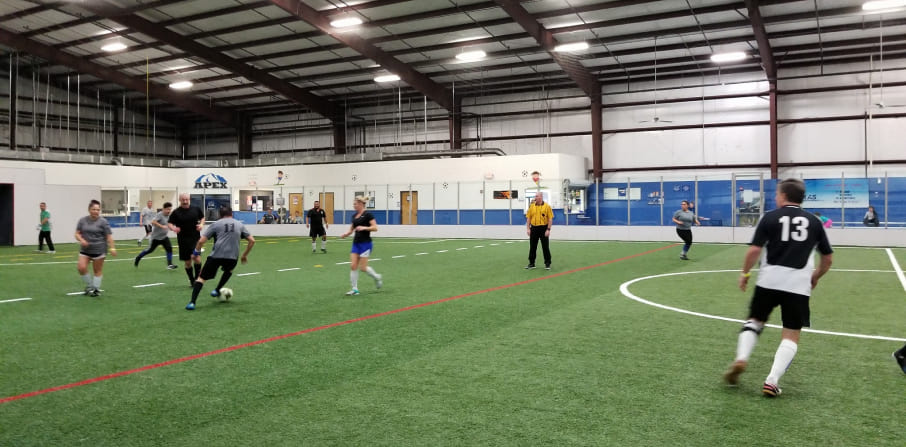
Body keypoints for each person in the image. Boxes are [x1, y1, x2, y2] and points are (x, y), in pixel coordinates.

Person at [723, 178, 833, 398]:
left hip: (769, 280)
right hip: (799, 284)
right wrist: (816, 276)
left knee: (754, 321)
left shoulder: (770, 218)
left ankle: (741, 358)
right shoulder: (814, 222)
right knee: (791, 333)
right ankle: (772, 380)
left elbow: (754, 250)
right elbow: (828, 259)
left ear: (783, 196)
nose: (775, 197)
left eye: (777, 194)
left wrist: (745, 273)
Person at [185, 207, 255, 310]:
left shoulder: (216, 224)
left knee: (201, 279)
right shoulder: (239, 224)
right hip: (232, 257)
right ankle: (217, 290)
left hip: (216, 256)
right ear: (232, 214)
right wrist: (244, 255)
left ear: (220, 215)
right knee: (229, 270)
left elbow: (201, 241)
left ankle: (192, 303)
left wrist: (196, 253)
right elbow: (252, 241)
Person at [339, 196, 382, 295]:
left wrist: (364, 228)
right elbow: (351, 229)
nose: (354, 206)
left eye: (355, 204)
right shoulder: (354, 216)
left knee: (363, 268)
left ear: (361, 204)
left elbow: (375, 228)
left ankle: (377, 277)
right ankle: (354, 289)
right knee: (353, 266)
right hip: (356, 243)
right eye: (353, 204)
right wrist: (346, 234)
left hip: (366, 244)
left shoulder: (368, 215)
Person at [74, 199, 117, 296]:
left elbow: (109, 237)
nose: (96, 211)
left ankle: (96, 290)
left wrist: (112, 248)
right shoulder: (82, 220)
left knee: (97, 270)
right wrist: (82, 240)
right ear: (89, 209)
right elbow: (76, 234)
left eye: (98, 210)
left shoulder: (103, 222)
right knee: (81, 267)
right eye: (94, 209)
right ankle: (90, 286)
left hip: (99, 250)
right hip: (85, 250)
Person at [167, 193, 205, 286]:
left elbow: (202, 218)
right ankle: (192, 280)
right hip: (183, 240)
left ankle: (197, 279)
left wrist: (201, 225)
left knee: (197, 259)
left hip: (195, 239)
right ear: (180, 200)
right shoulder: (176, 212)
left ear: (189, 199)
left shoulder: (196, 209)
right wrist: (173, 229)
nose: (185, 201)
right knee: (188, 262)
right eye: (183, 200)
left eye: (186, 199)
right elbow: (170, 223)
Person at [134, 202, 177, 270]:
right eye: (167, 209)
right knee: (149, 250)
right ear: (163, 209)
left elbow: (169, 224)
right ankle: (138, 257)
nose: (169, 211)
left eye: (170, 209)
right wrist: (161, 226)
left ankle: (170, 264)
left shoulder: (169, 216)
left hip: (164, 237)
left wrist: (173, 229)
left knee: (169, 249)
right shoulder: (160, 214)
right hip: (155, 238)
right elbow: (153, 222)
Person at [525, 191, 552, 270]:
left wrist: (548, 229)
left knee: (545, 247)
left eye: (537, 196)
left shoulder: (547, 206)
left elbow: (550, 219)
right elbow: (528, 218)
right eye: (535, 196)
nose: (535, 197)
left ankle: (547, 263)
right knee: (532, 247)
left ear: (541, 197)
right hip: (534, 228)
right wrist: (528, 228)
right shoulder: (532, 206)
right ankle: (532, 263)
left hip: (543, 228)